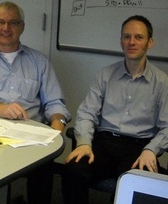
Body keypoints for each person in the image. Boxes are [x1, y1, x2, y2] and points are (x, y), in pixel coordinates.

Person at [0, 1, 70, 204]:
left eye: (13, 22)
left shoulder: (39, 61)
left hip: (30, 135)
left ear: (22, 27)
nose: (6, 28)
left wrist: (56, 129)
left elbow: (55, 103)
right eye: (0, 22)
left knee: (43, 170)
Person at [62, 15, 168, 204]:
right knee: (73, 169)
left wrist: (152, 150)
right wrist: (84, 142)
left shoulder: (162, 83)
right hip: (104, 143)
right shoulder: (105, 75)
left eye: (138, 37)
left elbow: (167, 126)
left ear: (150, 42)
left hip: (139, 147)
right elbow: (87, 113)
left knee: (137, 181)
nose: (132, 42)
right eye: (127, 37)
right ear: (121, 41)